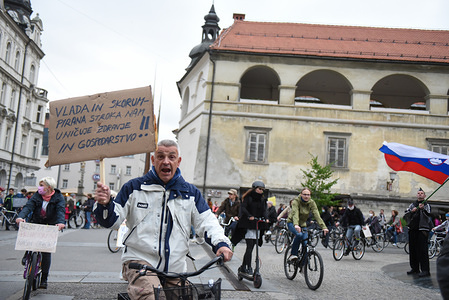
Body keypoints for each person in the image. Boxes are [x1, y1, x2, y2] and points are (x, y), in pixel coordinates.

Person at [93, 139, 232, 299]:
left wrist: (220, 244)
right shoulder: (134, 188)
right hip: (140, 262)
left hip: (175, 267)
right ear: (153, 160)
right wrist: (105, 205)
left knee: (184, 296)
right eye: (160, 156)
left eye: (171, 157)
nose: (166, 161)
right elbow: (112, 221)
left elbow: (207, 222)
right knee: (151, 296)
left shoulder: (190, 193)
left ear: (178, 161)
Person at [15, 177, 65, 289]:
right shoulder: (37, 195)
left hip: (50, 224)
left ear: (49, 187)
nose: (40, 187)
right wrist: (20, 217)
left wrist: (61, 222)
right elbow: (28, 206)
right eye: (40, 185)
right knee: (31, 240)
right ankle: (27, 253)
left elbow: (60, 210)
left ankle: (44, 279)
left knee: (46, 252)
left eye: (42, 185)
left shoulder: (58, 197)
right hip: (36, 221)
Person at [231, 180, 269, 275]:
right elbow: (243, 208)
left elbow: (264, 210)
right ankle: (249, 267)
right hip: (248, 224)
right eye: (260, 189)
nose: (261, 191)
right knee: (249, 247)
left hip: (257, 224)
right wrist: (249, 215)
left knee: (252, 247)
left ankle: (243, 266)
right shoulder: (248, 197)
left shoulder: (262, 199)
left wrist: (266, 218)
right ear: (255, 188)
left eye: (262, 189)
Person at [286, 188, 328, 262]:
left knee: (305, 244)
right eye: (304, 194)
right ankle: (293, 254)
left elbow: (317, 215)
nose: (306, 196)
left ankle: (302, 265)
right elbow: (295, 213)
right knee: (299, 235)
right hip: (292, 223)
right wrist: (296, 224)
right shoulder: (296, 201)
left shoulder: (311, 202)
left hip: (302, 224)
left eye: (308, 195)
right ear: (301, 194)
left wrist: (323, 227)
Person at [405, 188, 432, 277]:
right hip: (413, 229)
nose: (420, 194)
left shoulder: (427, 205)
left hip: (422, 230)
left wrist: (422, 209)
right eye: (418, 193)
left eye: (422, 193)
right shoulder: (412, 205)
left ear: (424, 196)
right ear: (417, 195)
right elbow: (406, 214)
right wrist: (412, 211)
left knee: (422, 251)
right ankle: (415, 268)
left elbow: (429, 215)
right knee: (413, 250)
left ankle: (425, 270)